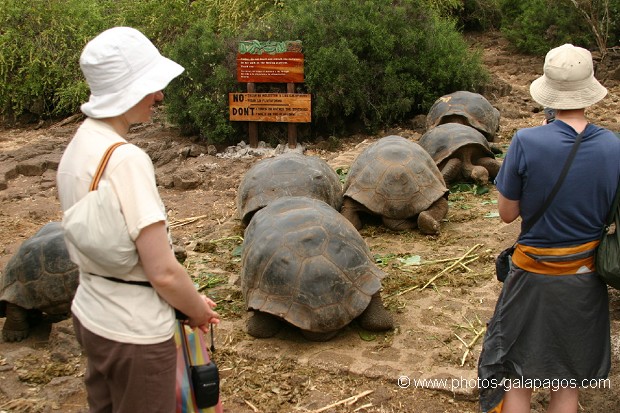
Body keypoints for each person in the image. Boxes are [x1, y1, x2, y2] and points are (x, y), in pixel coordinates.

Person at [56, 27, 220, 413]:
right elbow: (162, 271)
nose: (160, 95)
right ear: (128, 88)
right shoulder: (127, 161)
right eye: (152, 85)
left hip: (91, 314)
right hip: (136, 335)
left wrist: (191, 298)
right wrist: (196, 309)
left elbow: (108, 247)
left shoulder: (79, 146)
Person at [478, 43, 620, 413]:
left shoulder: (526, 141)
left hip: (531, 277)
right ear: (589, 89)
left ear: (549, 92)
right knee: (567, 382)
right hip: (585, 277)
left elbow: (507, 214)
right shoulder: (613, 147)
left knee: (518, 378)